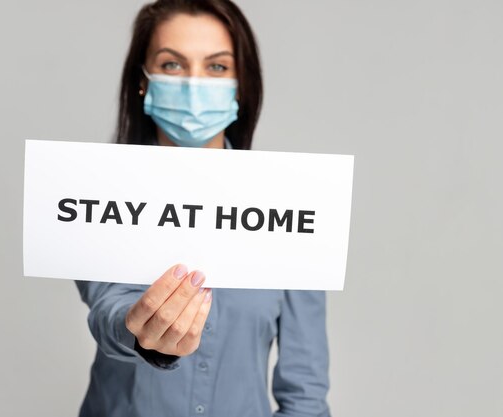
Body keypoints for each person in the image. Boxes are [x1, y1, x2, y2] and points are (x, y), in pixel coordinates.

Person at [75, 1, 331, 416]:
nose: (195, 84)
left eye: (216, 67)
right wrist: (143, 332)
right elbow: (107, 308)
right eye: (173, 64)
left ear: (241, 83)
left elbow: (305, 390)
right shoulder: (106, 189)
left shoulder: (288, 204)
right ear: (143, 80)